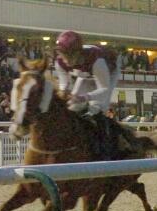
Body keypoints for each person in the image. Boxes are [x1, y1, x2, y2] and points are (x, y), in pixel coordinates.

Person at [53, 30, 123, 158]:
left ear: (77, 53)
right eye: (62, 54)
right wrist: (63, 94)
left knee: (96, 108)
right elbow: (64, 85)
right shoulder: (60, 62)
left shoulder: (97, 61)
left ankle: (106, 148)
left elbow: (104, 88)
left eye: (68, 55)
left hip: (108, 72)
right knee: (71, 106)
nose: (65, 59)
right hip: (85, 73)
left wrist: (85, 97)